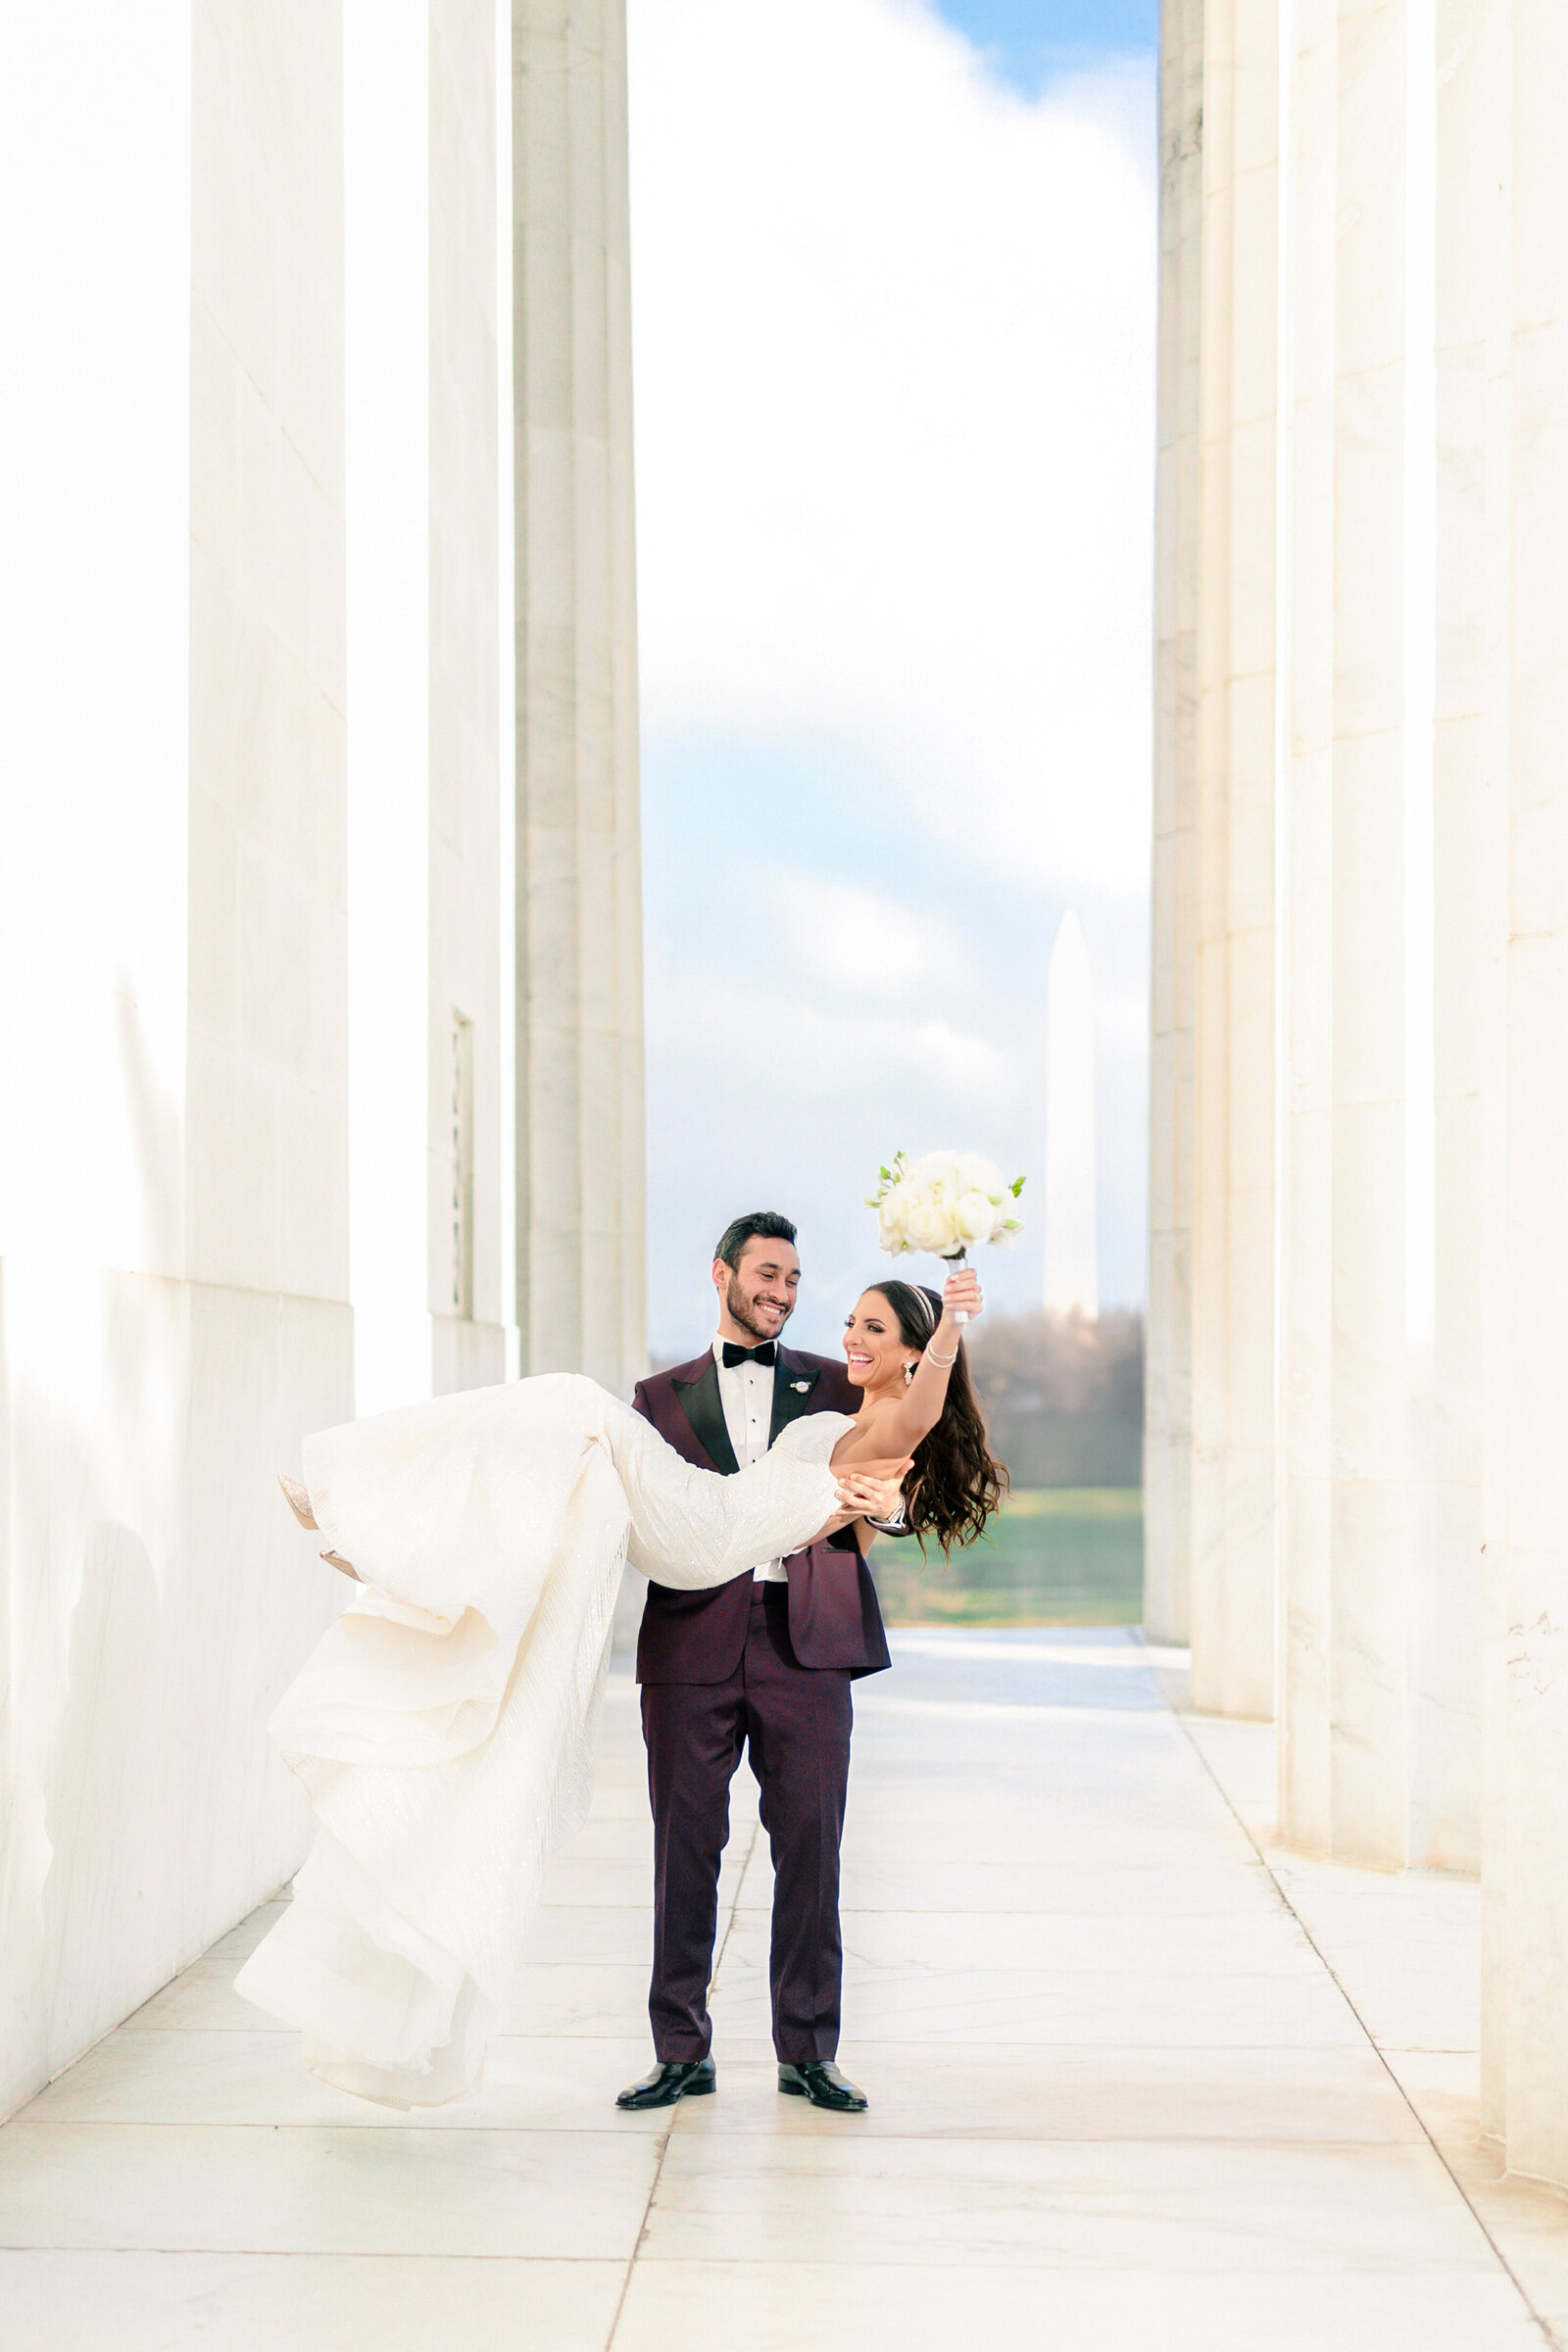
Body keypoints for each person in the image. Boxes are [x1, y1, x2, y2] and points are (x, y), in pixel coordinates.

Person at [236, 1249, 1002, 2113]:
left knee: (811, 1856)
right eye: (844, 1317)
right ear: (722, 1274)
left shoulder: (862, 1400)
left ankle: (809, 2054)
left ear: (911, 1351)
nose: (842, 1331)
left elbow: (907, 1440)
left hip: (802, 1639)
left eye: (872, 1326)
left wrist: (947, 1346)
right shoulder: (665, 1397)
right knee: (683, 1857)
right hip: (697, 1605)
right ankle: (679, 2052)